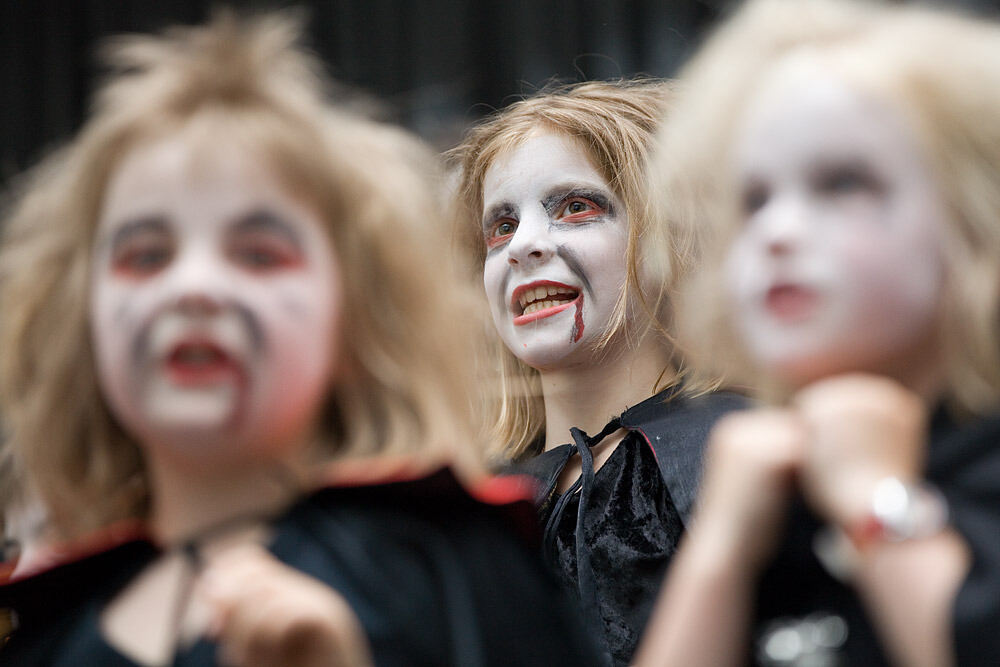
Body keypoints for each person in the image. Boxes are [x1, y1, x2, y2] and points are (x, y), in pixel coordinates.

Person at [0, 11, 600, 666]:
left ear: (353, 316)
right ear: (81, 322)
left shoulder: (452, 569)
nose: (193, 287)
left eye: (259, 253)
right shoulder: (53, 627)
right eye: (145, 256)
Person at [634, 1, 1000, 665]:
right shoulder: (766, 478)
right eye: (753, 199)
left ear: (976, 219)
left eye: (843, 183)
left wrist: (874, 497)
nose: (778, 232)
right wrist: (719, 548)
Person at [450, 81, 746, 666]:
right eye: (501, 227)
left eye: (576, 207)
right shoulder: (468, 502)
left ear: (672, 239)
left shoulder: (740, 452)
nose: (524, 245)